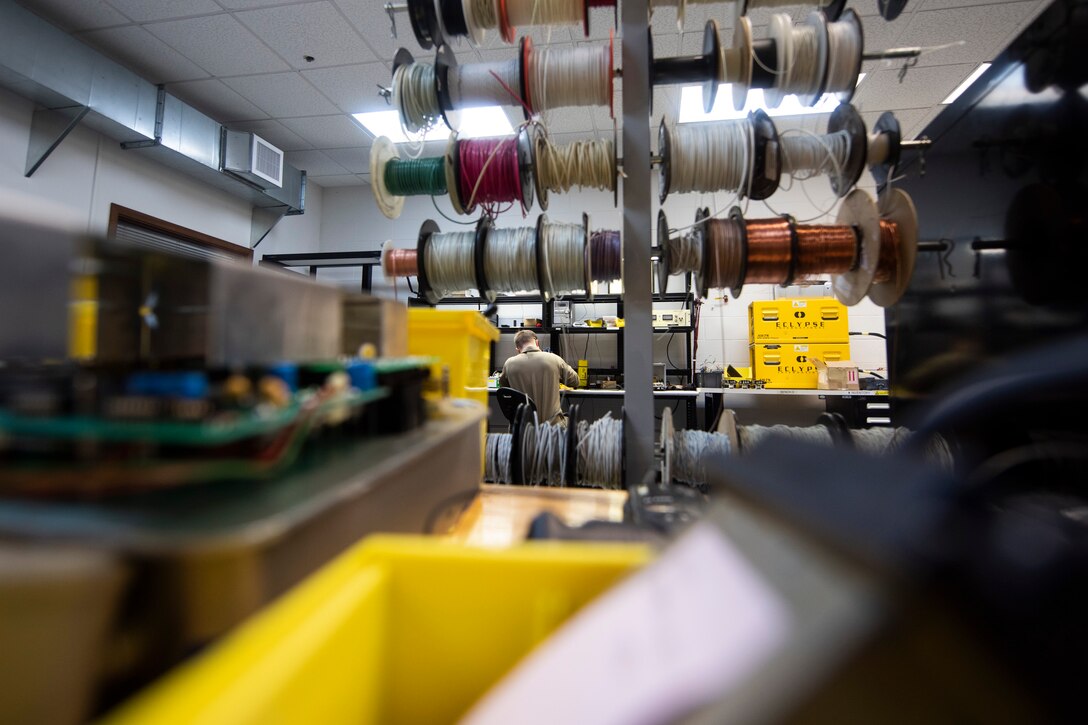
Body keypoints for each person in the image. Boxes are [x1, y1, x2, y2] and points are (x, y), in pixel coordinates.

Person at [499, 330, 578, 424]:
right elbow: (575, 381)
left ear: (517, 349)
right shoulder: (554, 359)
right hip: (552, 428)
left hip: (523, 429)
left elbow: (503, 387)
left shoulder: (509, 363)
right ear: (537, 342)